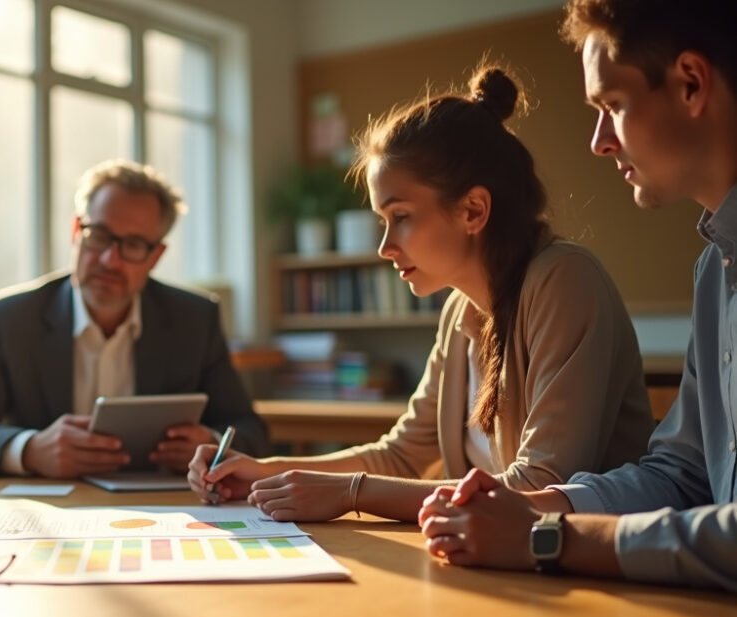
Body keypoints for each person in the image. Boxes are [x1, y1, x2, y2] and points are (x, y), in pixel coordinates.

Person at [188, 65, 656, 523]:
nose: (385, 247)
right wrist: (264, 472)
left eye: (402, 216)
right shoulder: (459, 310)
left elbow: (538, 486)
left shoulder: (564, 280)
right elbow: (402, 455)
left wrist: (353, 493)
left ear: (473, 209)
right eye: (383, 221)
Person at [419, 0, 737, 592]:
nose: (598, 142)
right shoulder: (715, 271)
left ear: (691, 84)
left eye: (612, 106)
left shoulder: (563, 278)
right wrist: (543, 507)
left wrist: (549, 538)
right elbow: (684, 471)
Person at [0, 159, 267, 478]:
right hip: (50, 513)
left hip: (166, 508)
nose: (110, 259)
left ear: (156, 256)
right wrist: (29, 450)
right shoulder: (10, 319)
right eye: (101, 235)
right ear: (76, 230)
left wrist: (210, 444)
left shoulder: (194, 319)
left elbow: (250, 430)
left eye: (134, 244)